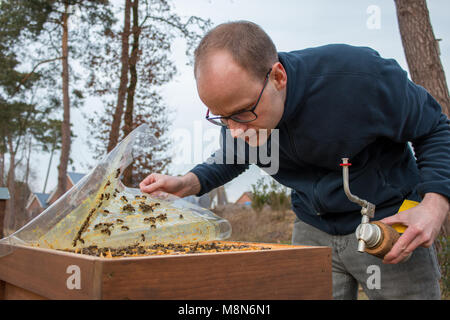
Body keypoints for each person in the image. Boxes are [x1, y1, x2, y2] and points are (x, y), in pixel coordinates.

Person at [140, 21, 449, 299]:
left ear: (278, 76)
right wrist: (187, 183)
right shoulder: (241, 113)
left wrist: (434, 206)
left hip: (387, 225)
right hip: (312, 229)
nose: (235, 131)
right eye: (222, 118)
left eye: (242, 113)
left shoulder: (358, 77)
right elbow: (234, 155)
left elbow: (435, 127)